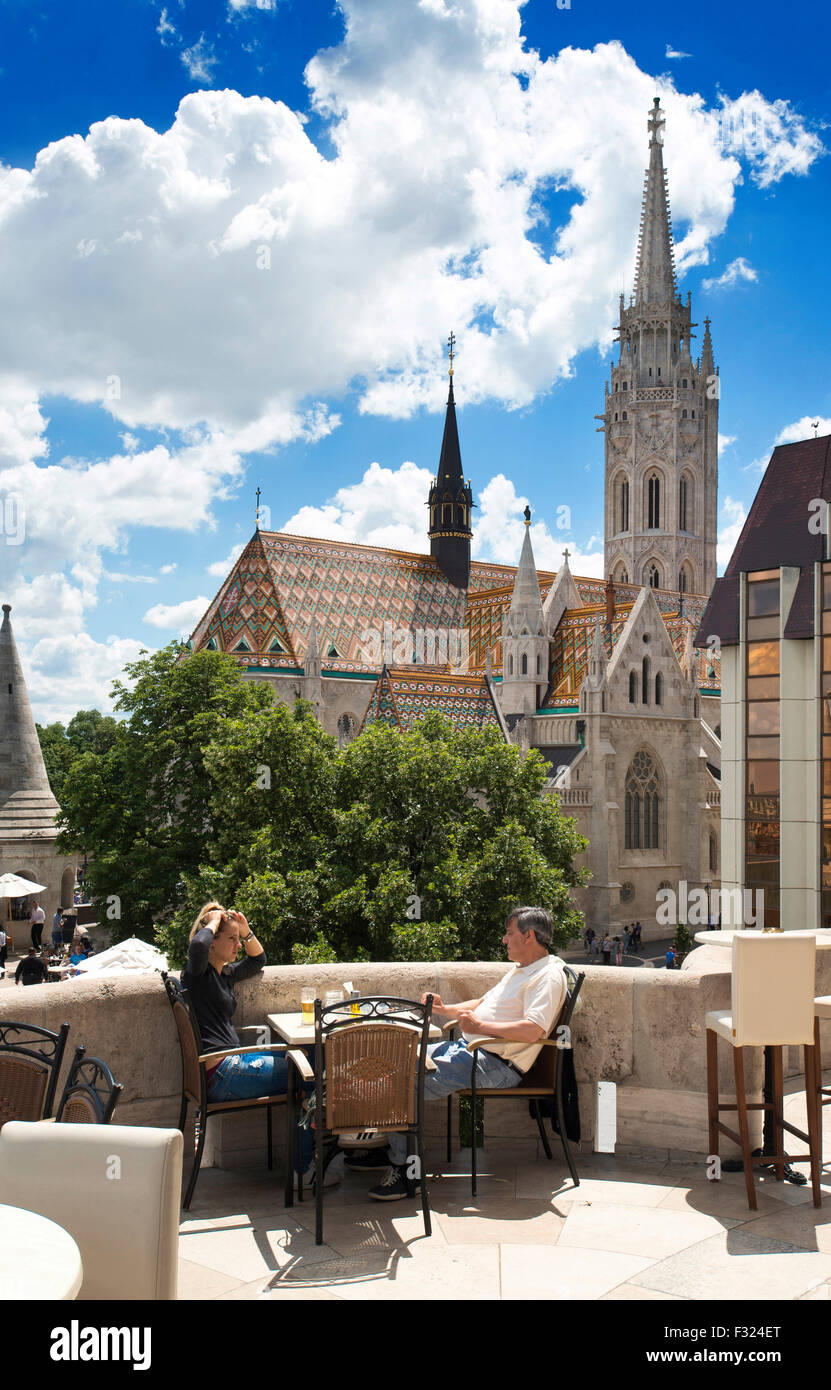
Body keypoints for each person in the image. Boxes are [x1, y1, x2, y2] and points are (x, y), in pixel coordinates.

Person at [367, 906, 567, 1202]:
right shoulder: (522, 969)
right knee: (392, 1058)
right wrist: (444, 1009)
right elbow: (484, 1002)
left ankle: (406, 1170)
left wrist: (480, 1026)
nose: (503, 940)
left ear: (529, 936)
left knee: (401, 1079)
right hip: (471, 1051)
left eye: (509, 933)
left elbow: (532, 1030)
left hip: (493, 1063)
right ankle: (392, 1147)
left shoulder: (548, 976)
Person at [180, 902, 332, 1190]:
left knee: (312, 1056)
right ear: (212, 943)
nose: (238, 945)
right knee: (309, 1071)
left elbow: (258, 959)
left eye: (238, 939)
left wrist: (246, 931)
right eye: (231, 939)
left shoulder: (222, 973)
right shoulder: (197, 973)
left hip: (229, 1067)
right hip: (224, 1072)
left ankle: (311, 1158)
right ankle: (304, 1170)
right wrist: (211, 923)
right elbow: (196, 949)